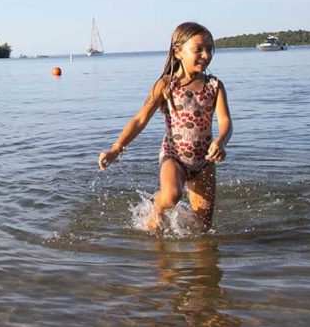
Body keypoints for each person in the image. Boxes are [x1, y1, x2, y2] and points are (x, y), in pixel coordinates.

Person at [97, 22, 234, 231]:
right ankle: (157, 208)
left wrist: (221, 141)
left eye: (209, 48)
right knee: (170, 197)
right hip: (174, 156)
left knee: (203, 228)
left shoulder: (215, 86)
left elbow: (225, 121)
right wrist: (116, 148)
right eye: (198, 49)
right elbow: (140, 119)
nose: (206, 55)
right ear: (178, 52)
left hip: (204, 162)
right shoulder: (166, 85)